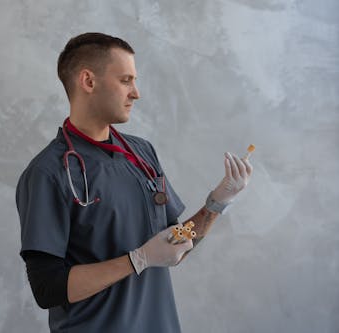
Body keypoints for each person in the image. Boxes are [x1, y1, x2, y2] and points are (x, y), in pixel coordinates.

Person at [16, 32, 253, 332]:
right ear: (89, 82)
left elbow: (175, 246)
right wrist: (137, 259)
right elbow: (47, 287)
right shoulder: (48, 173)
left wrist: (217, 202)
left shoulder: (141, 153)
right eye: (126, 80)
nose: (136, 92)